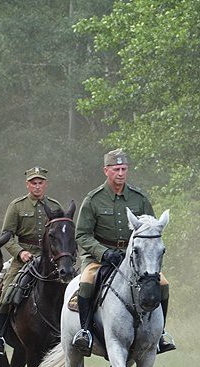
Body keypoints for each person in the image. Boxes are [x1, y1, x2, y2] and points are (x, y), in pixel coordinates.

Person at [72, 149, 175, 355]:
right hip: (100, 258)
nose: (120, 173)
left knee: (162, 284)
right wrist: (103, 252)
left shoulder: (139, 199)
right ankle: (85, 332)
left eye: (124, 169)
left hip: (134, 258)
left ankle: (160, 334)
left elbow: (153, 230)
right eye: (116, 169)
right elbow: (82, 235)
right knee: (86, 282)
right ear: (106, 171)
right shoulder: (93, 200)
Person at [0, 166, 64, 355]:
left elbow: (63, 234)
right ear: (27, 185)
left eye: (40, 183)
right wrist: (20, 252)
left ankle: (74, 331)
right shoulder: (17, 206)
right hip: (24, 258)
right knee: (9, 289)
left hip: (51, 259)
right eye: (33, 183)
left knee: (70, 288)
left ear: (45, 184)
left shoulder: (55, 207)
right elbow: (7, 235)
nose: (37, 186)